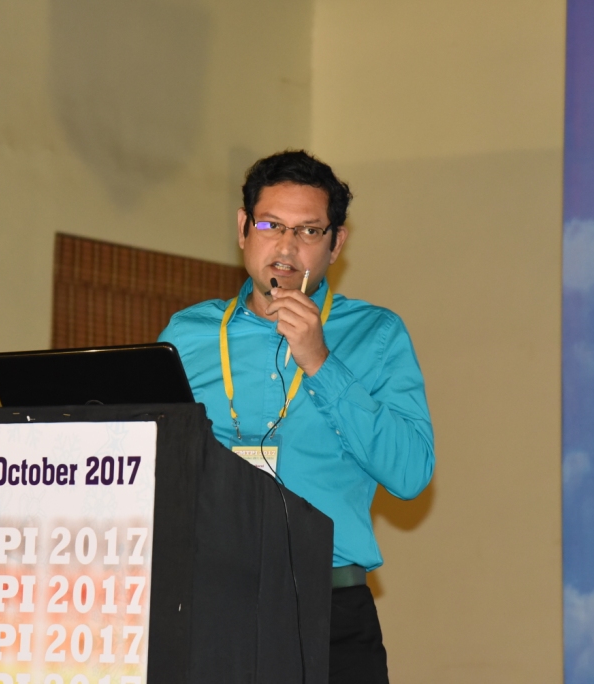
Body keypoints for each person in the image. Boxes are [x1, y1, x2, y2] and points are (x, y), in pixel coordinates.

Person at [158, 149, 434, 683]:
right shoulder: (186, 335)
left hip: (328, 611)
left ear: (336, 243)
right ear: (243, 229)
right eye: (271, 225)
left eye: (309, 231)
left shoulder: (376, 335)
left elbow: (410, 473)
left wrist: (321, 362)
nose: (286, 247)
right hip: (206, 607)